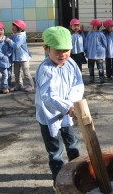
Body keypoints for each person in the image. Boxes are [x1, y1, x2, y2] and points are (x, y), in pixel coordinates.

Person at [35, 26, 84, 190]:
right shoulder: (45, 69)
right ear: (47, 48)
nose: (62, 54)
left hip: (66, 117)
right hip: (49, 118)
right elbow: (48, 96)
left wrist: (73, 103)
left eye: (66, 50)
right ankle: (59, 183)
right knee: (55, 152)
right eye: (57, 50)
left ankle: (77, 174)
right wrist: (67, 106)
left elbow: (78, 84)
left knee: (73, 145)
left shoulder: (71, 63)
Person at [6, 19, 34, 92]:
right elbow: (8, 38)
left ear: (19, 28)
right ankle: (18, 84)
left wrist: (9, 41)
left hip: (23, 57)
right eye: (13, 26)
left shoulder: (21, 36)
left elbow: (16, 46)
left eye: (14, 26)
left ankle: (30, 85)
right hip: (16, 58)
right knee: (16, 72)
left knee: (26, 72)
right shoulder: (15, 35)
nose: (12, 28)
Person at [84, 19, 107, 83]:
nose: (90, 26)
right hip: (91, 54)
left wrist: (104, 49)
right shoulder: (89, 33)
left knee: (100, 67)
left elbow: (105, 42)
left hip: (99, 54)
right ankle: (91, 78)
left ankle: (101, 78)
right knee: (90, 67)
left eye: (91, 25)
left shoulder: (101, 34)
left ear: (95, 26)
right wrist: (85, 49)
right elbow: (86, 41)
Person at [0, 22, 13, 94]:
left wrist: (8, 54)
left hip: (8, 60)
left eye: (1, 30)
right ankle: (4, 87)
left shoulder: (6, 39)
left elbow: (11, 48)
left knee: (9, 73)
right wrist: (2, 56)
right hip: (1, 61)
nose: (0, 32)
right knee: (5, 74)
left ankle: (8, 85)